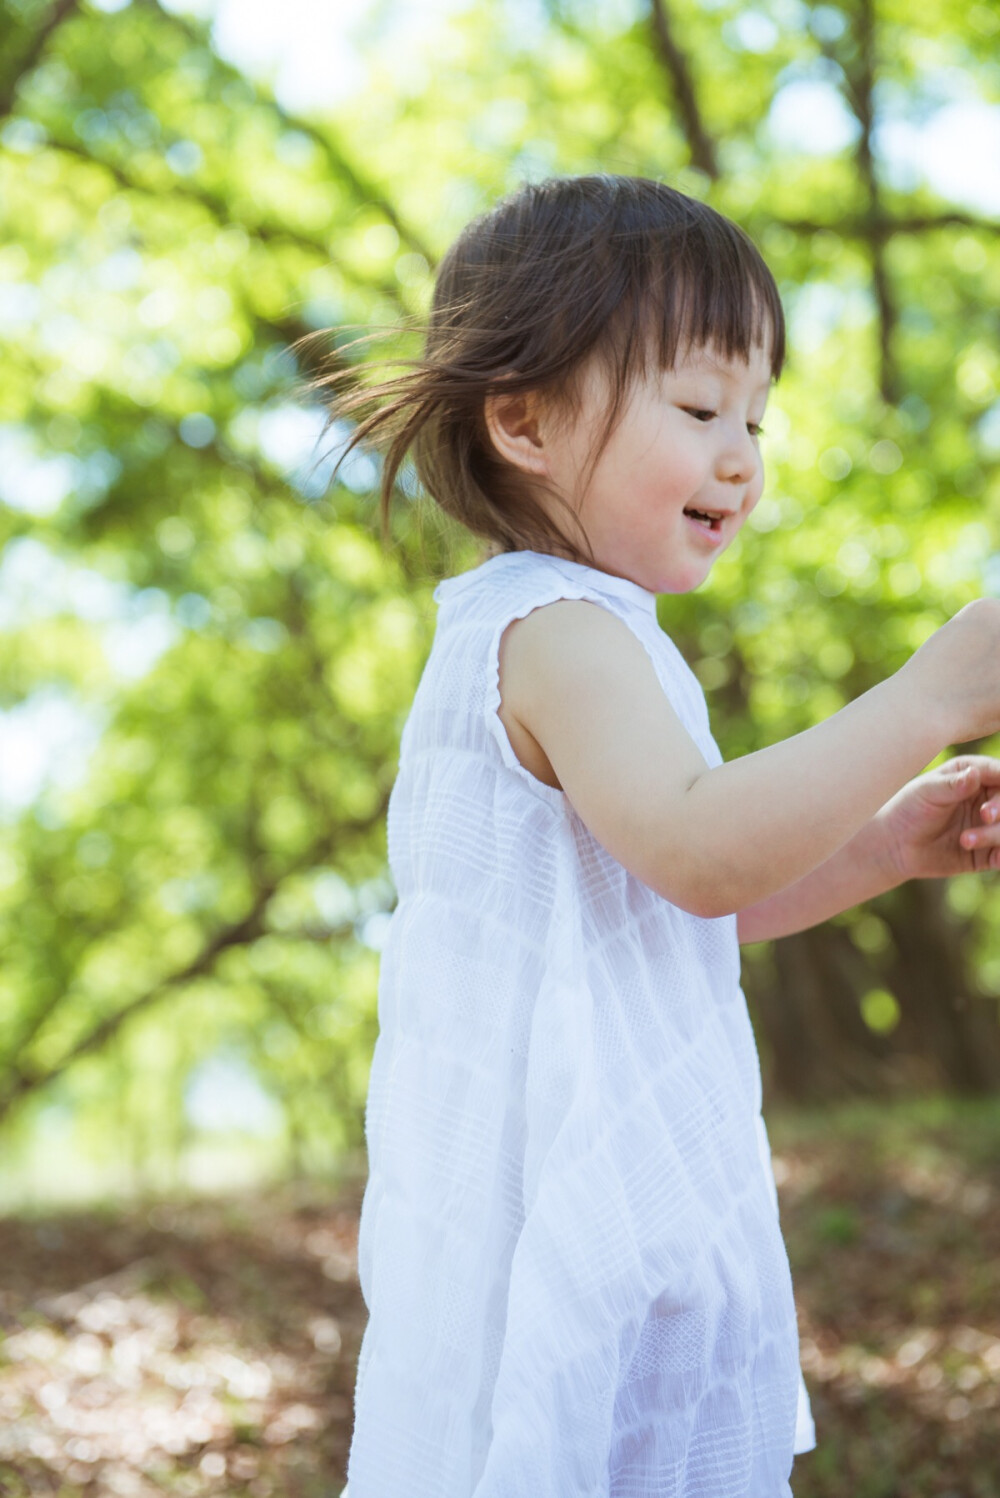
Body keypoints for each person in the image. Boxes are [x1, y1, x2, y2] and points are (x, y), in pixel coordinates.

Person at [325, 175, 1000, 1497]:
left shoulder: (601, 636)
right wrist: (927, 696)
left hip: (634, 1192)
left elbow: (674, 903)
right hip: (565, 1216)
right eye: (698, 408)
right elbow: (700, 847)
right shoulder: (555, 631)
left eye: (755, 415)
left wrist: (880, 846)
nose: (743, 454)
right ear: (521, 418)